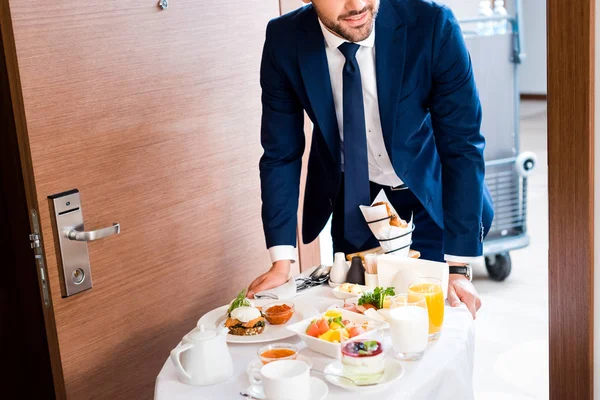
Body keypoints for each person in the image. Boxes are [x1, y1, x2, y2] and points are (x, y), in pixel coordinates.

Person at [247, 0, 494, 319]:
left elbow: (462, 144)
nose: (356, 4)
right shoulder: (285, 38)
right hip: (354, 203)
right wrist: (282, 261)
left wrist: (459, 267)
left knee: (428, 321)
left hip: (428, 197)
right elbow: (281, 153)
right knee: (359, 320)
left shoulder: (432, 24)